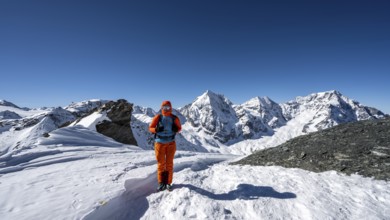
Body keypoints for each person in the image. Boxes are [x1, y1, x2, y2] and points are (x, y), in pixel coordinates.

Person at [149, 100, 181, 191]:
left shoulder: (174, 118)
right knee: (161, 164)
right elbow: (150, 128)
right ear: (161, 108)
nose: (166, 109)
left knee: (169, 163)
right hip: (159, 143)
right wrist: (156, 129)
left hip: (171, 143)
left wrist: (176, 129)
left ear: (170, 108)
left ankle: (168, 183)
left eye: (167, 107)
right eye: (164, 107)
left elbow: (179, 128)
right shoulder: (158, 117)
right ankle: (161, 182)